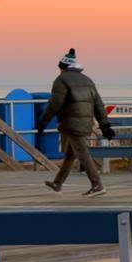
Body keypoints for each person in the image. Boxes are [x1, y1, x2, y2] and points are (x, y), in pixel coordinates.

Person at [45, 49, 108, 196]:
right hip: (86, 122)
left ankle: (97, 185)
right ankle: (57, 183)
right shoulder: (88, 80)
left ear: (63, 67)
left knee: (82, 154)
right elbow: (99, 104)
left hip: (73, 124)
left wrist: (44, 120)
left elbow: (55, 104)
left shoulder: (61, 80)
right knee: (71, 154)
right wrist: (104, 123)